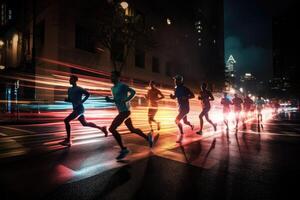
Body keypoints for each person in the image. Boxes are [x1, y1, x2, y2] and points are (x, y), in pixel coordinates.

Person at [105, 71, 159, 160]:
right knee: (132, 129)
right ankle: (148, 138)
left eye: (113, 76)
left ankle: (124, 149)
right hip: (121, 112)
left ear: (118, 77)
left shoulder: (122, 86)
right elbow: (116, 100)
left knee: (112, 129)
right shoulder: (113, 88)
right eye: (111, 76)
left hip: (125, 111)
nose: (111, 78)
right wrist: (110, 100)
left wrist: (127, 99)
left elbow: (133, 92)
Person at [61, 75, 108, 147]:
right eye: (69, 79)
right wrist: (67, 100)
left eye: (71, 79)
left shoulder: (79, 89)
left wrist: (82, 101)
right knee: (85, 123)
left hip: (79, 108)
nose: (69, 80)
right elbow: (71, 100)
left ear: (75, 80)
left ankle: (68, 140)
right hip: (76, 109)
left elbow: (88, 94)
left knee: (66, 120)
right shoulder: (69, 89)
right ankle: (102, 128)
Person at [170, 75, 194, 143]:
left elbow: (193, 95)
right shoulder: (176, 88)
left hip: (185, 108)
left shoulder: (185, 88)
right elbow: (175, 97)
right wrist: (172, 97)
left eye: (176, 80)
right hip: (180, 108)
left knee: (176, 120)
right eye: (174, 80)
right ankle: (191, 125)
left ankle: (181, 134)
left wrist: (186, 97)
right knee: (185, 122)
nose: (175, 82)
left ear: (180, 81)